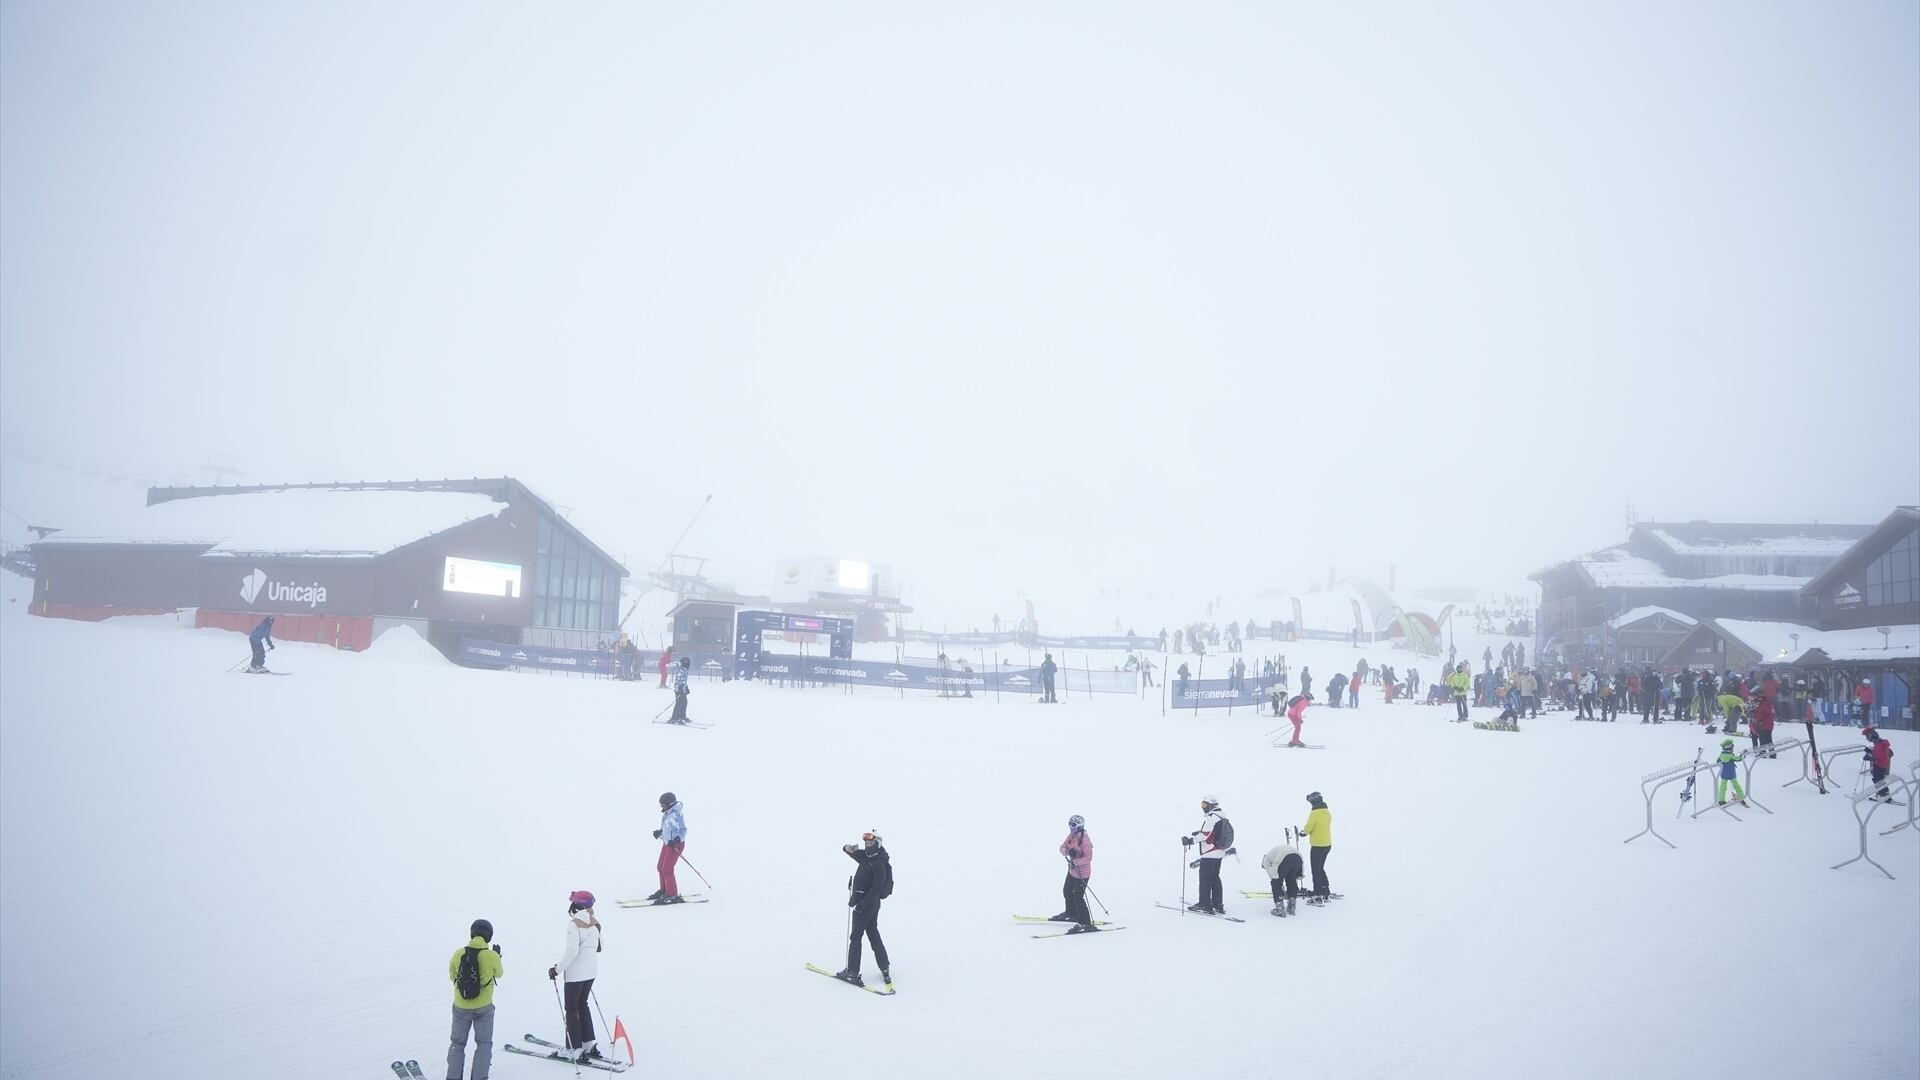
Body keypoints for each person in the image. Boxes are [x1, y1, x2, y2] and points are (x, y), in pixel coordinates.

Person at [548, 891, 601, 1061]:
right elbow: (599, 947)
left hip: (576, 973)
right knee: (582, 1004)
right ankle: (588, 1043)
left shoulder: (574, 924)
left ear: (576, 905)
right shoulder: (595, 922)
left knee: (571, 1008)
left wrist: (557, 969)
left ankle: (573, 1049)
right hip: (591, 971)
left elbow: (572, 952)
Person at [835, 831, 893, 988]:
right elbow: (853, 853)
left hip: (867, 905)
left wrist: (862, 903)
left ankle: (852, 972)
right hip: (869, 905)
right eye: (866, 843)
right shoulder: (867, 857)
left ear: (878, 844)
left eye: (870, 843)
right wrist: (847, 848)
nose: (867, 845)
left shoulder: (879, 864)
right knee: (873, 933)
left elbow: (877, 888)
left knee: (856, 937)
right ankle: (884, 967)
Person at [447, 918, 503, 1080]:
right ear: (489, 936)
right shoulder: (491, 955)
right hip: (483, 1008)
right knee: (484, 1044)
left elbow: (452, 975)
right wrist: (497, 957)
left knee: (457, 1044)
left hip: (460, 1007)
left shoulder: (459, 953)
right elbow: (499, 974)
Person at [1184, 796, 1233, 915]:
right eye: (1202, 805)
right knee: (1215, 878)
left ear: (1212, 805)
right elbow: (1212, 832)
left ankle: (1204, 904)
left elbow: (1205, 835)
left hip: (1210, 853)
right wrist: (1199, 833)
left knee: (1205, 879)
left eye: (1205, 805)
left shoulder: (1212, 817)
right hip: (1219, 852)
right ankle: (1217, 904)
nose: (1203, 807)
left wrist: (1191, 840)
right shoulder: (1221, 816)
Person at [1053, 815, 1098, 932]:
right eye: (1069, 824)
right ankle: (1071, 913)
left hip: (1082, 873)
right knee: (1067, 891)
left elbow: (1088, 858)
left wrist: (1076, 862)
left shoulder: (1085, 842)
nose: (1070, 827)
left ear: (1079, 827)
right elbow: (1062, 848)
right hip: (1072, 871)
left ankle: (1085, 923)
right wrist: (1068, 851)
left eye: (1072, 825)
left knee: (1078, 898)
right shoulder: (1071, 836)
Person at [647, 792, 688, 902]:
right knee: (660, 867)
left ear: (670, 804)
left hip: (676, 845)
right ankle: (664, 890)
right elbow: (667, 827)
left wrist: (677, 840)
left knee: (667, 869)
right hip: (667, 843)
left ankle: (672, 894)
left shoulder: (676, 814)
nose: (661, 807)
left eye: (663, 805)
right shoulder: (667, 813)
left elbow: (683, 830)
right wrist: (659, 832)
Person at [1301, 792, 1333, 902]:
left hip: (1317, 846)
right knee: (1320, 868)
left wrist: (1303, 833)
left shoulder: (1315, 813)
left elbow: (1308, 827)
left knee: (1315, 870)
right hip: (1327, 845)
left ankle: (1318, 895)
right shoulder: (1327, 812)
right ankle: (1325, 891)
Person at [1261, 838, 1305, 918]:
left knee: (1275, 883)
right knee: (1291, 881)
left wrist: (1279, 887)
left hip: (1284, 858)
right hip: (1298, 858)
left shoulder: (1265, 861)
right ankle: (1292, 906)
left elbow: (1274, 876)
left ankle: (1280, 909)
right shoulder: (1273, 854)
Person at [1863, 726, 1895, 801]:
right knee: (1880, 779)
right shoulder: (1881, 742)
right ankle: (1883, 793)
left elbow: (1878, 756)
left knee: (1878, 780)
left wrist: (1869, 758)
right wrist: (1870, 751)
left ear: (1871, 736)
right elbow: (1885, 753)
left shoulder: (1878, 745)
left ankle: (1883, 794)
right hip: (1883, 764)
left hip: (1879, 765)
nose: (1867, 739)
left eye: (1867, 736)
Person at [1714, 740, 1749, 808]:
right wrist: (1743, 754)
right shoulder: (1730, 755)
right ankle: (1741, 797)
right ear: (1729, 748)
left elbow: (1718, 761)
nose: (1732, 749)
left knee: (1723, 787)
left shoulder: (1721, 755)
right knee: (1736, 786)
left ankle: (1721, 800)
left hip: (1723, 773)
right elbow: (1738, 758)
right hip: (1732, 773)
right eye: (1732, 748)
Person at [668, 656, 691, 724]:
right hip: (678, 690)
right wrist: (680, 687)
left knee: (684, 702)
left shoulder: (685, 670)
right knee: (679, 703)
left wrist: (686, 687)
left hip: (682, 689)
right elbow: (678, 680)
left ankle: (682, 716)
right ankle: (674, 718)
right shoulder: (681, 670)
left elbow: (684, 680)